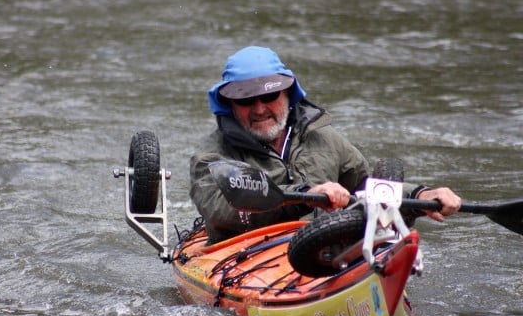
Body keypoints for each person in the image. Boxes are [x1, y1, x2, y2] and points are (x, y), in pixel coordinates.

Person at [190, 46, 462, 243]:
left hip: (320, 249)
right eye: (247, 100)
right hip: (245, 257)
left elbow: (367, 188)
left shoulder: (326, 139)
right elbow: (220, 212)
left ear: (287, 94)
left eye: (270, 95)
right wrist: (304, 195)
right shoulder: (211, 156)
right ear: (230, 105)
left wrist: (421, 196)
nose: (260, 108)